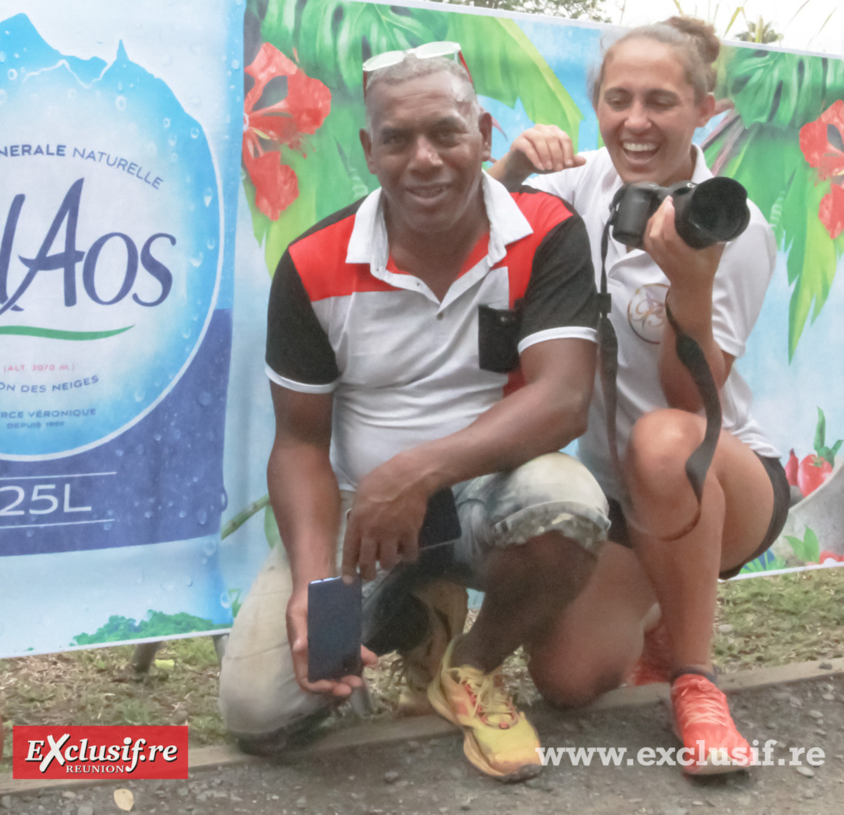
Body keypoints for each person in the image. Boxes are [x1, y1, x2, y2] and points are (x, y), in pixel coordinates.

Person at [218, 44, 612, 781]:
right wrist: (316, 592)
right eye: (397, 139)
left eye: (445, 133)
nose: (423, 158)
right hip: (356, 513)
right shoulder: (312, 261)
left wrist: (417, 470)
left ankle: (470, 666)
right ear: (370, 149)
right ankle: (409, 612)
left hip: (485, 493)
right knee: (258, 712)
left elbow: (561, 399)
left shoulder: (546, 230)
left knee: (569, 504)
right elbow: (300, 441)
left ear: (484, 135)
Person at [489, 17, 789, 775]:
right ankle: (657, 607)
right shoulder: (569, 188)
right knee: (564, 679)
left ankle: (695, 682)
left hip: (718, 474)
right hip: (621, 499)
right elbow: (466, 244)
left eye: (660, 100)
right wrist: (510, 170)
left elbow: (694, 399)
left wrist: (688, 286)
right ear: (596, 104)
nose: (636, 120)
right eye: (618, 99)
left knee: (659, 439)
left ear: (704, 109)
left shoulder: (730, 223)